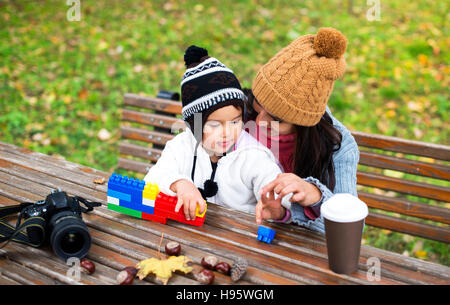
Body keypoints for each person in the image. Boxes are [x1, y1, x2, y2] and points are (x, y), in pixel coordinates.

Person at [144, 45, 293, 222]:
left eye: (235, 122)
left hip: (237, 240)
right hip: (188, 236)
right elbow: (153, 178)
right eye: (214, 125)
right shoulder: (182, 146)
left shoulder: (254, 156)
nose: (227, 133)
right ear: (194, 125)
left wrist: (279, 211)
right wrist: (179, 184)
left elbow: (280, 198)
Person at [246, 27, 360, 234]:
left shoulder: (339, 148)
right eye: (258, 103)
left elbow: (350, 230)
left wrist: (316, 198)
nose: (260, 122)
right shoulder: (240, 113)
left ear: (301, 124)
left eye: (276, 119)